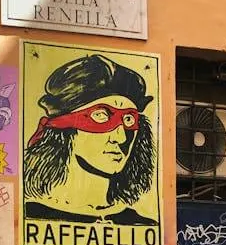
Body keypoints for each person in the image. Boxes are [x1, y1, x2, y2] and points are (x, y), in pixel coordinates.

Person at [23, 54, 157, 225]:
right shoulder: (33, 216)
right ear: (64, 127)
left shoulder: (142, 225)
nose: (121, 138)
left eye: (129, 120)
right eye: (101, 115)